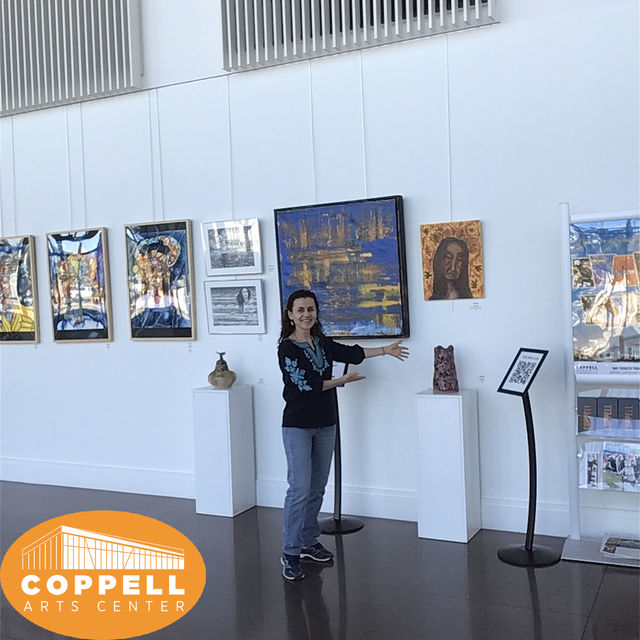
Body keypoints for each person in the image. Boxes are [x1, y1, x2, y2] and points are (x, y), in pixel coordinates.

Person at [277, 289, 409, 581]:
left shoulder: (321, 342)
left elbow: (352, 354)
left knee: (317, 488)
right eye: (300, 310)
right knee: (299, 489)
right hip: (297, 426)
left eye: (311, 309)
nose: (306, 314)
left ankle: (308, 542)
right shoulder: (287, 349)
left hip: (326, 424)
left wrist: (385, 350)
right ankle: (290, 552)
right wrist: (340, 381)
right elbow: (306, 385)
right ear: (290, 315)